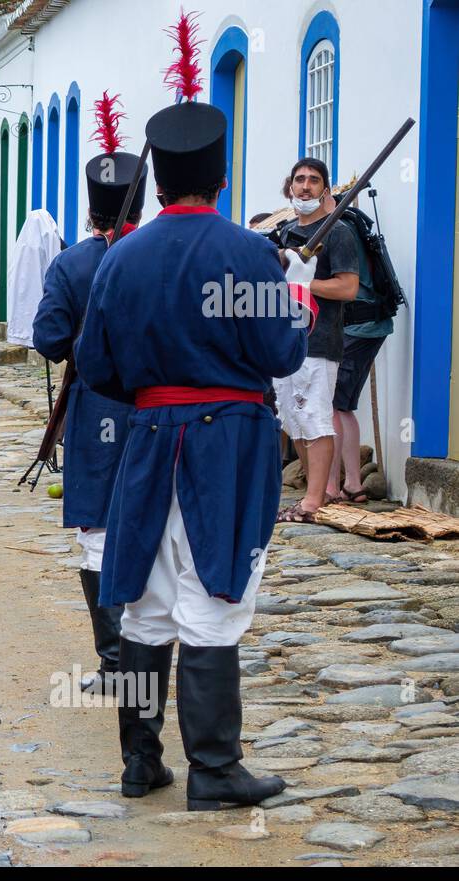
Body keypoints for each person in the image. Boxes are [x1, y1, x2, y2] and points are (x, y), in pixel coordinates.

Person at [75, 74, 310, 810]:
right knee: (214, 595)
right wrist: (292, 295)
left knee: (145, 603)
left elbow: (93, 366)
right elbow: (281, 356)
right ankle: (213, 769)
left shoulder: (118, 257)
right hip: (227, 447)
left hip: (147, 441)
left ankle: (140, 763)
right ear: (221, 177)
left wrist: (156, 396)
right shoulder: (248, 253)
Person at [32, 91, 145, 693]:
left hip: (98, 411)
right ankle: (149, 654)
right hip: (164, 409)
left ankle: (114, 663)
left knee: (99, 533)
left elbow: (50, 340)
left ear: (91, 209)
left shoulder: (71, 265)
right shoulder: (160, 254)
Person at [272, 158, 360, 521]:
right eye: (299, 179)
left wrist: (302, 284)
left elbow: (348, 287)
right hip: (284, 341)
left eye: (313, 180)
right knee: (293, 420)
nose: (305, 186)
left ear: (325, 190)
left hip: (319, 341)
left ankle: (314, 501)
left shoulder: (337, 232)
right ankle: (315, 491)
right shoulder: (286, 231)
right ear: (289, 187)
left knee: (316, 418)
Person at [327, 191, 392, 504]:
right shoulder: (350, 223)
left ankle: (333, 487)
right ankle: (351, 483)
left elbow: (344, 285)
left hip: (360, 325)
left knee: (332, 405)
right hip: (365, 326)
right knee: (342, 405)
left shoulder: (338, 229)